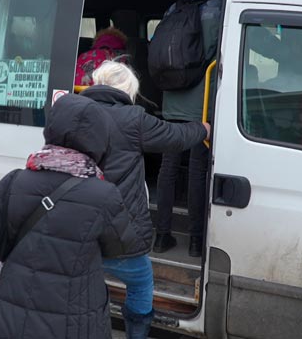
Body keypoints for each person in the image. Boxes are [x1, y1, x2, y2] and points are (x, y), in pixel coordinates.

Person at [0, 93, 141, 339]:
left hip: (11, 318)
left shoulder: (14, 181)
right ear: (100, 139)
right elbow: (121, 246)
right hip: (76, 321)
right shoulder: (103, 195)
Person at [79, 61, 210, 338]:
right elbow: (175, 136)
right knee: (140, 284)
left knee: (85, 283)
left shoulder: (74, 112)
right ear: (128, 90)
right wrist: (204, 130)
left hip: (79, 225)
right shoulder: (133, 118)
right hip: (121, 231)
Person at [154, 0, 224, 257]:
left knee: (167, 169)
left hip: (172, 99)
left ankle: (161, 236)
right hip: (201, 101)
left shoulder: (175, 7)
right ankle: (196, 241)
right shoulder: (219, 8)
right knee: (197, 170)